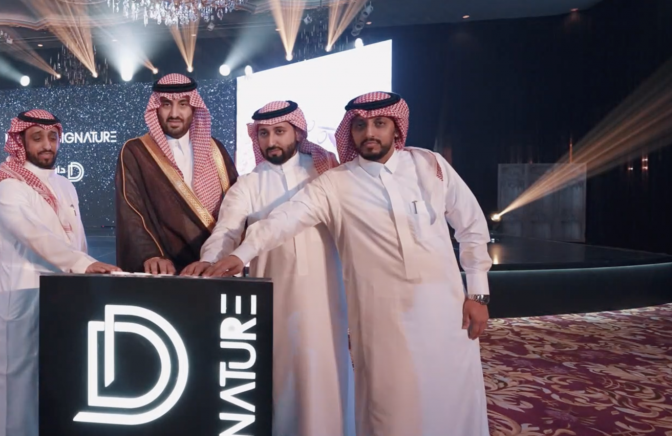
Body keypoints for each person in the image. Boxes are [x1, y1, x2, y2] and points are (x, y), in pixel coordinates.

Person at [205, 92, 492, 436]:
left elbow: (471, 225)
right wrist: (241, 254)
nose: (369, 133)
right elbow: (284, 220)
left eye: (379, 124)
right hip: (382, 318)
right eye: (359, 126)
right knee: (390, 408)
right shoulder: (335, 183)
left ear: (396, 128)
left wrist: (477, 292)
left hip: (445, 309)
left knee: (455, 398)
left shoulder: (430, 166)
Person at [183, 101, 354, 436]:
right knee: (283, 380)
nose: (271, 141)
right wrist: (210, 261)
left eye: (279, 131)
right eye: (263, 133)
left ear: (298, 133)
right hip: (276, 301)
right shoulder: (249, 184)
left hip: (326, 296)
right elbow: (227, 231)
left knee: (328, 376)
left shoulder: (325, 173)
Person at [0, 109, 121, 436]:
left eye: (52, 137)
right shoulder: (8, 187)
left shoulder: (65, 185)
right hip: (24, 292)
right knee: (18, 372)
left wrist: (83, 273)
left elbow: (77, 238)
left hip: (63, 289)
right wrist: (83, 264)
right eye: (37, 138)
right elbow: (34, 235)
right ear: (21, 142)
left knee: (58, 367)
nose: (47, 145)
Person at [115, 73, 238, 274]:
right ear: (156, 108)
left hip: (215, 263)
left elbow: (235, 205)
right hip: (163, 268)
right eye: (166, 104)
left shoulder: (215, 149)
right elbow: (130, 210)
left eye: (183, 104)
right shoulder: (136, 151)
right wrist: (150, 254)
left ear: (193, 107)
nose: (174, 113)